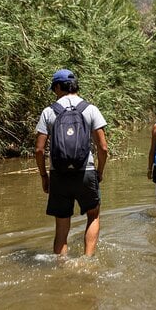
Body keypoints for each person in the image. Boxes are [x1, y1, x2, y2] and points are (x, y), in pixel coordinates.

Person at [35, 69, 108, 256]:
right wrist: (99, 172)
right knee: (93, 215)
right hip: (86, 171)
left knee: (61, 226)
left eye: (54, 88)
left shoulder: (49, 112)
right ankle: (87, 260)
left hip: (59, 174)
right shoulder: (90, 109)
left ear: (58, 87)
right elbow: (103, 148)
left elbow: (39, 150)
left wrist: (44, 176)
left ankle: (60, 267)